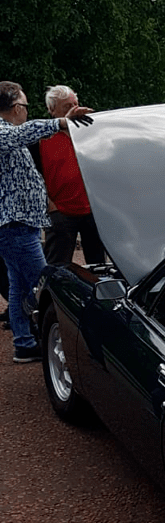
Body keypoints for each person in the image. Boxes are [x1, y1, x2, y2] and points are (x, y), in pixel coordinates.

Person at [0, 81, 91, 362]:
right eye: (26, 106)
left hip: (20, 225)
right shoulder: (5, 132)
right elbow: (24, 133)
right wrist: (61, 123)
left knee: (20, 288)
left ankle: (25, 344)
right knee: (48, 285)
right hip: (15, 227)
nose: (27, 112)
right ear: (16, 108)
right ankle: (59, 343)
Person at [39, 85, 105, 265]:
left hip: (92, 210)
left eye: (75, 104)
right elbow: (33, 175)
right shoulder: (42, 137)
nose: (75, 110)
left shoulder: (90, 133)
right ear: (52, 111)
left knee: (98, 265)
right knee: (57, 266)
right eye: (67, 107)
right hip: (60, 212)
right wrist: (48, 204)